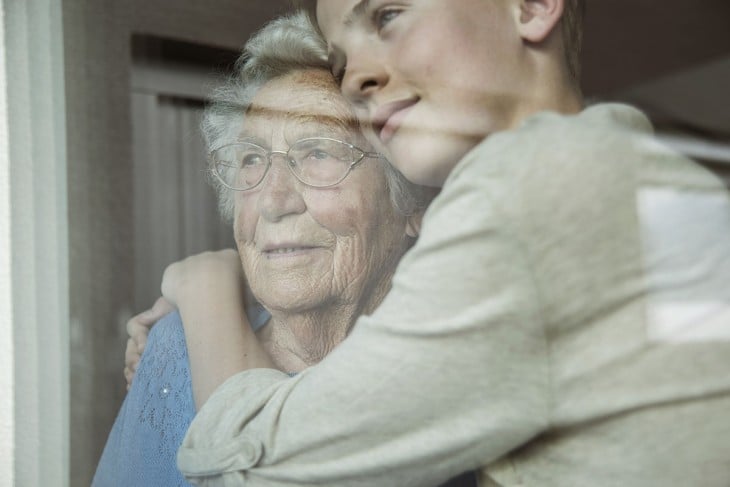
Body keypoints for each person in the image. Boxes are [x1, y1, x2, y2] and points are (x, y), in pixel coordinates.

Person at [149, 1, 730, 486]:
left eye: (387, 15)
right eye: (341, 58)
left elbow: (249, 471)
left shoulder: (531, 192)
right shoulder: (647, 180)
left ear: (530, 6)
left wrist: (202, 287)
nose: (356, 78)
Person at [93, 11, 442, 486]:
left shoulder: (453, 368)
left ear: (413, 197)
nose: (273, 202)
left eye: (320, 152)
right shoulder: (179, 349)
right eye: (251, 159)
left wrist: (202, 282)